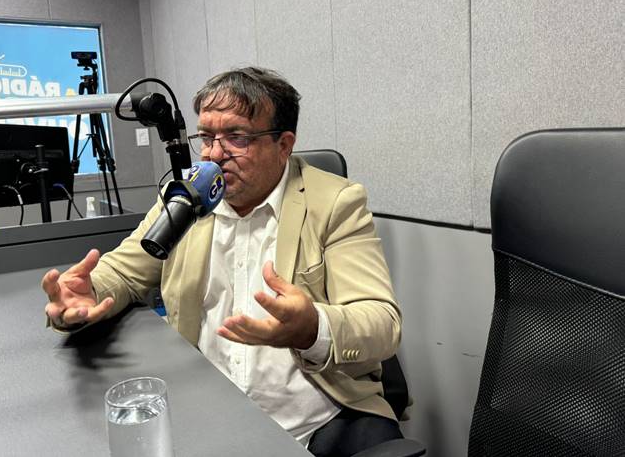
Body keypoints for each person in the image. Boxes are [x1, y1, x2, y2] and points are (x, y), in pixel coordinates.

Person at [42, 67, 403, 456]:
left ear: (284, 145)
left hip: (317, 419)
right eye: (207, 137)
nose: (214, 154)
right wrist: (89, 293)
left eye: (236, 137)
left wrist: (312, 328)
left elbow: (381, 321)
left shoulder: (335, 202)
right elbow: (125, 271)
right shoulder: (185, 197)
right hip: (207, 411)